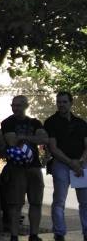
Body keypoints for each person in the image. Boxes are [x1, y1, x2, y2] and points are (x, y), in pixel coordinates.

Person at [0, 95, 47, 241]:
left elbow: (43, 139)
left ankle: (34, 235)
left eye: (19, 105)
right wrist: (31, 137)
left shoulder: (35, 122)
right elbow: (12, 141)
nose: (15, 108)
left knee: (36, 202)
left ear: (26, 105)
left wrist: (23, 137)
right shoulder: (7, 122)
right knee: (15, 204)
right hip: (16, 168)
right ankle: (14, 236)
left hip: (34, 167)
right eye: (13, 105)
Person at [44, 91, 87, 241]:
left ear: (71, 103)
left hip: (81, 164)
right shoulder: (50, 122)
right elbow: (53, 148)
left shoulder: (81, 123)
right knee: (59, 201)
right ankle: (59, 233)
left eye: (64, 102)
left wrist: (81, 161)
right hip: (61, 164)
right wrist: (71, 163)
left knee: (85, 201)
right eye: (59, 102)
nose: (61, 104)